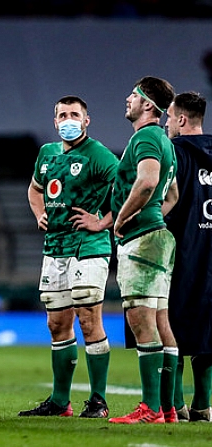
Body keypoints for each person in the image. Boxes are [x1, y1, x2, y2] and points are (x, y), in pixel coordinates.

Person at [20, 96, 118, 419]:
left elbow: (126, 187)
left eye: (74, 114)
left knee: (89, 319)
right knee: (57, 323)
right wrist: (38, 214)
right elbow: (35, 189)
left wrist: (102, 221)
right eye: (62, 114)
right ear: (55, 120)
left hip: (88, 246)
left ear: (87, 120)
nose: (68, 119)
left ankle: (99, 401)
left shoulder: (99, 155)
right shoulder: (47, 154)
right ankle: (60, 402)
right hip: (55, 246)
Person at [108, 76, 178, 424]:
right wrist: (152, 218)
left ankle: (150, 409)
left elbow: (148, 180)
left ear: (147, 105)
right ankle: (168, 408)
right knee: (161, 322)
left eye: (132, 96)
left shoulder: (145, 137)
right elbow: (173, 194)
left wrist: (124, 219)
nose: (127, 100)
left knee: (141, 322)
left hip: (143, 240)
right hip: (159, 236)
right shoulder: (164, 141)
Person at [163, 91, 212, 422]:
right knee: (209, 326)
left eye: (169, 117)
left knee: (171, 322)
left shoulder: (173, 154)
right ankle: (204, 404)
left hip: (180, 251)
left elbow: (165, 203)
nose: (167, 122)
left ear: (182, 119)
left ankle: (177, 404)